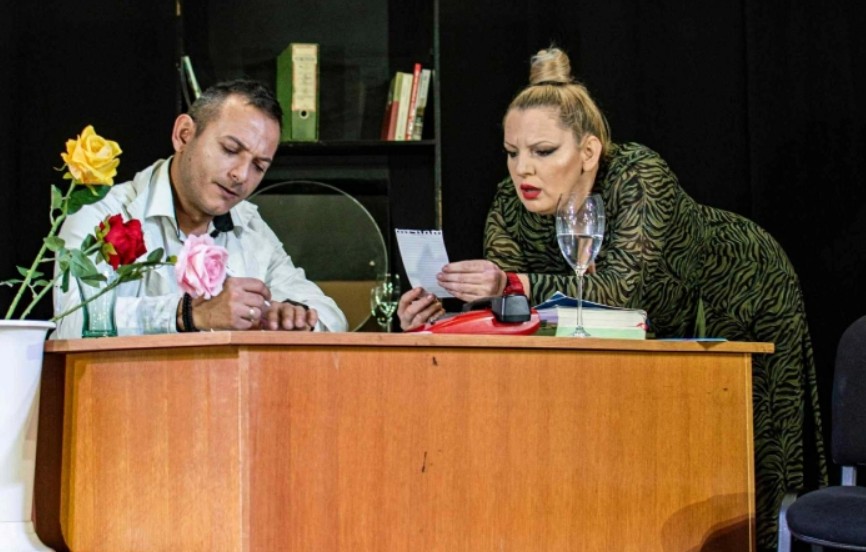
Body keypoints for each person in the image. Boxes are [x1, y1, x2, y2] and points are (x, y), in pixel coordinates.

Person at [398, 47, 826, 551]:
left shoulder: (639, 175)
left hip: (740, 286)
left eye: (543, 151)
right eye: (512, 152)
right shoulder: (510, 206)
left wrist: (511, 284)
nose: (523, 170)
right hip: (645, 325)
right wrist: (439, 318)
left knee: (746, 452)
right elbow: (515, 318)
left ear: (588, 152)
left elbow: (623, 293)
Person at [53, 79, 348, 338]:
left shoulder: (249, 226)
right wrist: (188, 314)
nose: (241, 175)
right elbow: (71, 322)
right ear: (183, 134)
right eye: (230, 150)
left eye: (259, 166)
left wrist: (294, 316)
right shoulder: (102, 213)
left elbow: (332, 317)